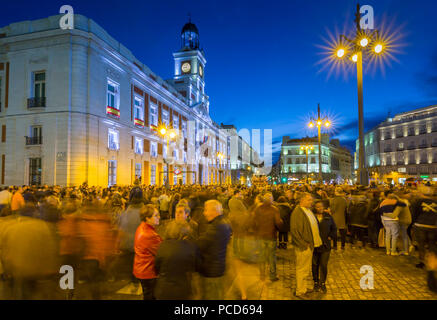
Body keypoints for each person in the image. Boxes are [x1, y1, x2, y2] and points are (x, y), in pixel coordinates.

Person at [154, 220, 201, 300]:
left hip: (163, 290)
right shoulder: (191, 247)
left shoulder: (162, 245)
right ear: (184, 234)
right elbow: (197, 267)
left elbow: (157, 267)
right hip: (182, 290)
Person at [196, 200, 232, 300]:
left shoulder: (216, 227)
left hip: (212, 271)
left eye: (206, 210)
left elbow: (200, 244)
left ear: (214, 211)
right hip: (217, 268)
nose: (204, 213)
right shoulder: (222, 222)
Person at [290, 192, 323, 299]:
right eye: (309, 200)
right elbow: (295, 231)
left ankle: (303, 288)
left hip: (309, 244)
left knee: (305, 269)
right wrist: (303, 244)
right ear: (302, 200)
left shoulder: (307, 210)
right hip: (304, 245)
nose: (311, 202)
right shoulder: (297, 212)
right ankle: (300, 291)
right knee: (301, 269)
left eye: (311, 199)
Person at [133, 204, 162, 300]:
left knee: (148, 294)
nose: (159, 217)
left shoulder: (142, 227)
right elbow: (161, 251)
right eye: (156, 215)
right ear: (147, 218)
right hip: (148, 271)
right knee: (150, 296)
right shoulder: (149, 234)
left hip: (141, 268)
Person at [253, 193, 283, 282]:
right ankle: (272, 275)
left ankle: (262, 275)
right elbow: (278, 223)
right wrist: (281, 224)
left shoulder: (258, 208)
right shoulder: (274, 209)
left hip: (260, 236)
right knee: (271, 257)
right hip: (271, 236)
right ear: (272, 200)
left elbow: (254, 221)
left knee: (261, 256)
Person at [312, 200, 336, 294]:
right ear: (315, 207)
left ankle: (322, 282)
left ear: (323, 207)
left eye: (321, 206)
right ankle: (316, 281)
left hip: (325, 246)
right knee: (314, 265)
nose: (319, 208)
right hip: (315, 245)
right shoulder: (312, 217)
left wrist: (330, 236)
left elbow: (334, 228)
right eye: (317, 207)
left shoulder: (328, 217)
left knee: (323, 265)